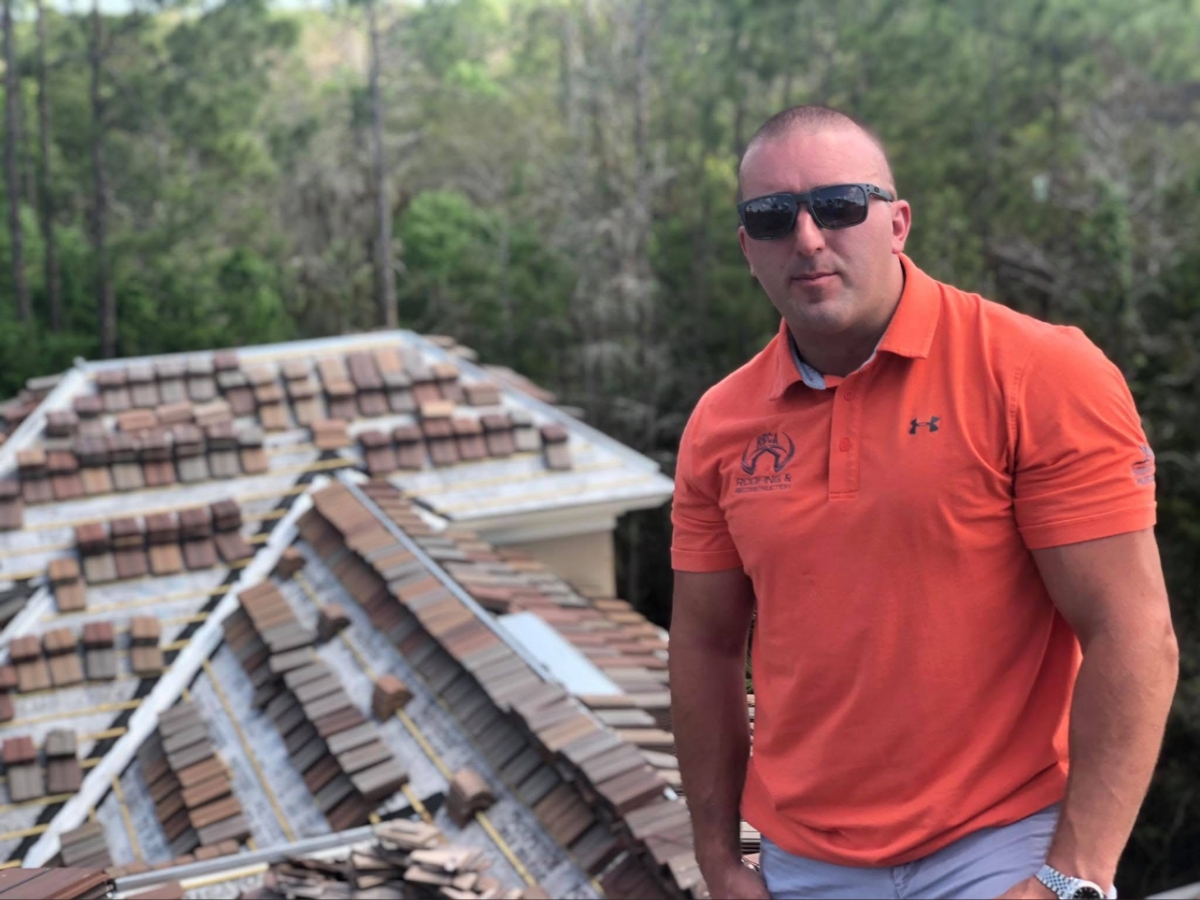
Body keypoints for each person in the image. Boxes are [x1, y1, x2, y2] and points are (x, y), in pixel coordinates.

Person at [668, 105, 1179, 900]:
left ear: (898, 222)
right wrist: (719, 860)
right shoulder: (720, 425)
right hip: (805, 865)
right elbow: (703, 646)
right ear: (747, 248)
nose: (806, 238)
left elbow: (1133, 631)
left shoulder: (1037, 373)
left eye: (839, 206)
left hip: (1003, 849)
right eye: (772, 218)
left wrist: (1072, 876)